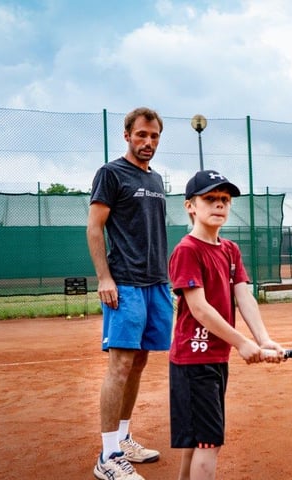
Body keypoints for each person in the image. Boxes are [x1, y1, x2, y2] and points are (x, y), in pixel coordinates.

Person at [168, 169, 284, 480]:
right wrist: (242, 342)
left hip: (215, 358)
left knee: (198, 438)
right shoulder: (187, 251)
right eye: (210, 199)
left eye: (225, 199)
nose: (219, 204)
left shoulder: (230, 250)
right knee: (209, 442)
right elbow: (200, 309)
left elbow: (244, 297)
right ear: (190, 206)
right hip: (195, 359)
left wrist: (263, 339)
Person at [87, 107, 173, 480]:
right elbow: (94, 229)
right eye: (141, 135)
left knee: (139, 362)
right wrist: (105, 278)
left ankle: (123, 439)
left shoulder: (155, 180)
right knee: (120, 363)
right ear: (127, 135)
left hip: (156, 284)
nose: (148, 143)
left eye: (154, 137)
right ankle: (107, 456)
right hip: (124, 283)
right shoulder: (110, 173)